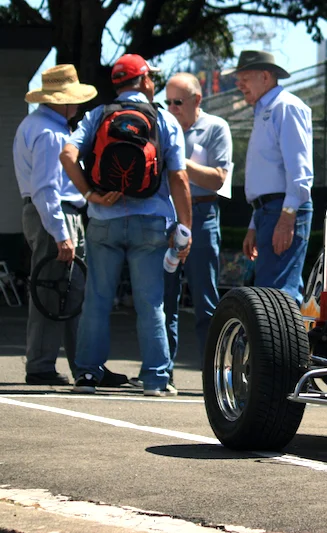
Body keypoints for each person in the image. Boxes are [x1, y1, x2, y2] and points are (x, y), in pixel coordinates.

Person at [60, 54, 192, 396]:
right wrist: (185, 228)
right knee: (151, 304)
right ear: (145, 81)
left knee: (97, 300)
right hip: (150, 223)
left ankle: (87, 375)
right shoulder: (162, 119)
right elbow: (178, 176)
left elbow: (67, 155)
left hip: (104, 221)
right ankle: (156, 380)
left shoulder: (96, 116)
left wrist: (90, 193)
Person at [13, 64, 128, 387]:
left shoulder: (36, 124)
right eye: (73, 99)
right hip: (56, 213)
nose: (77, 105)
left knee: (59, 291)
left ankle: (74, 364)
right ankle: (52, 365)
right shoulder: (50, 132)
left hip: (47, 212)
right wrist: (61, 234)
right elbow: (46, 188)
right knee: (60, 292)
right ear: (60, 100)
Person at [162, 72, 233, 378]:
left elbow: (219, 178)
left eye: (178, 102)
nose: (172, 108)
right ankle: (160, 370)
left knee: (205, 300)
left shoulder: (216, 127)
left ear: (197, 100)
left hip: (203, 217)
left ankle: (213, 372)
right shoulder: (164, 127)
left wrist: (180, 163)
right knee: (164, 299)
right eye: (167, 102)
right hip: (168, 218)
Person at [231, 50, 313, 305]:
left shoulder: (286, 107)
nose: (238, 84)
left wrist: (287, 218)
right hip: (269, 211)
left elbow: (300, 171)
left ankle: (286, 347)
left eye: (244, 77)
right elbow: (269, 175)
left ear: (265, 77)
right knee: (275, 296)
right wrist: (255, 224)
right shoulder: (266, 109)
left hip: (282, 210)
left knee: (276, 300)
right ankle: (292, 345)